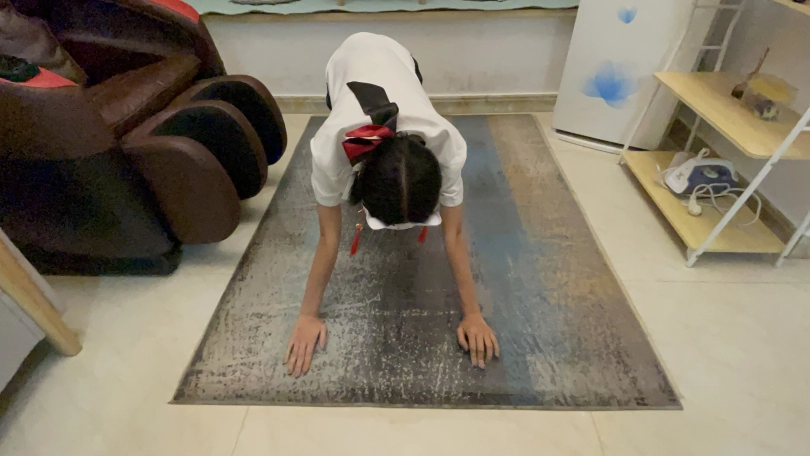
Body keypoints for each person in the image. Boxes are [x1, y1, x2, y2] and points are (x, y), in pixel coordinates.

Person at [284, 32, 499, 378]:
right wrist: (307, 315)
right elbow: (328, 237)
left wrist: (473, 313)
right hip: (345, 61)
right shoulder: (329, 149)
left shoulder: (447, 145)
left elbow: (454, 233)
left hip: (400, 58)